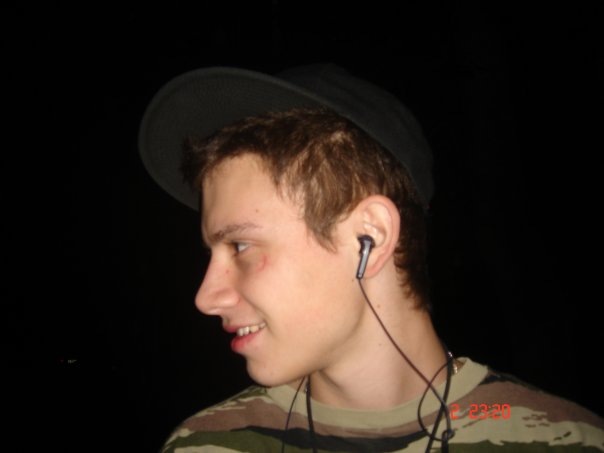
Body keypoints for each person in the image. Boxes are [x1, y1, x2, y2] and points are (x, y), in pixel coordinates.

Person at [138, 64, 604, 452]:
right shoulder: (206, 446)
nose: (206, 297)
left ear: (370, 237)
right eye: (213, 253)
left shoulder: (567, 442)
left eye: (240, 247)